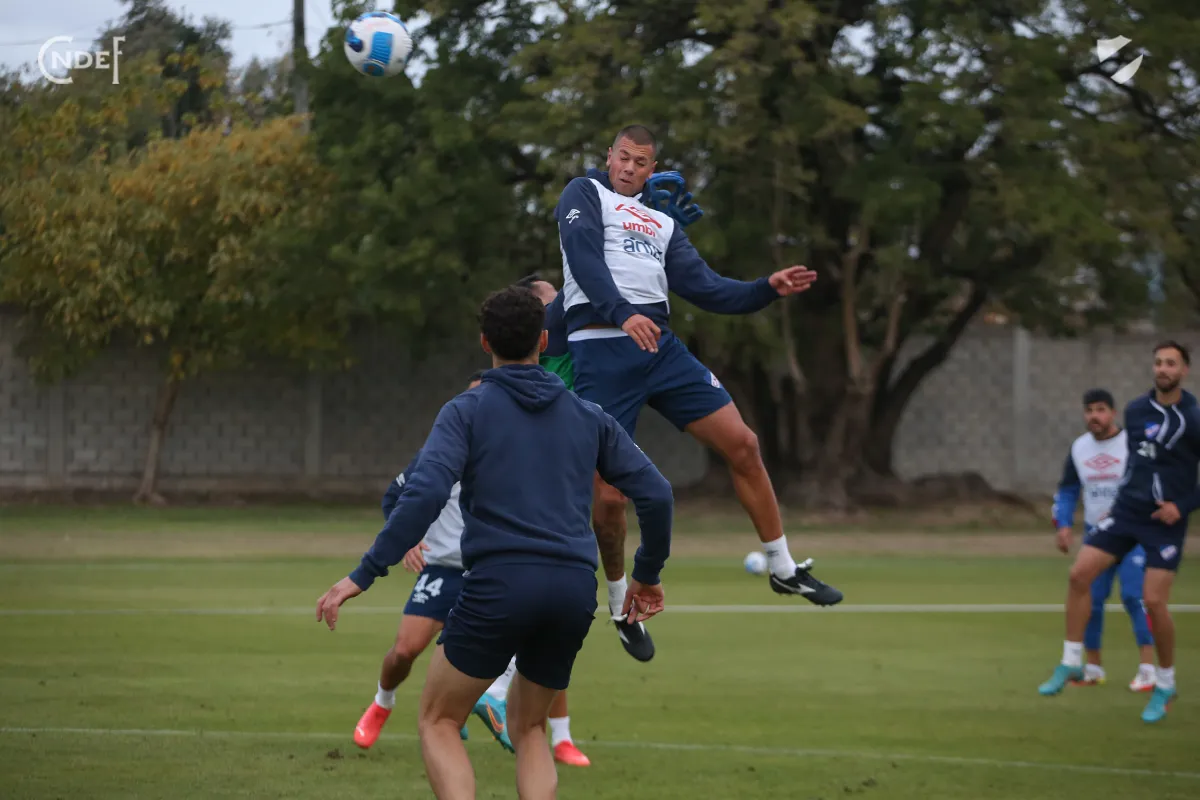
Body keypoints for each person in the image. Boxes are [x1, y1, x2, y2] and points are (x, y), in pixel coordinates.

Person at [316, 285, 674, 798]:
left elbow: (424, 493)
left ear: (485, 342)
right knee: (531, 729)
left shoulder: (465, 410)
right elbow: (657, 494)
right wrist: (647, 574)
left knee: (439, 719)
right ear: (545, 341)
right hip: (574, 590)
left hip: (500, 584)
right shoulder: (588, 415)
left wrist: (364, 574)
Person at [547, 123, 843, 661]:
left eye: (641, 161)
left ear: (652, 168)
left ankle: (782, 567)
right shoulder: (583, 193)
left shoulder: (661, 221)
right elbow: (584, 259)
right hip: (603, 351)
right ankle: (619, 603)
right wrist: (623, 313)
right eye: (623, 157)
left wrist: (766, 289)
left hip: (659, 349)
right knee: (608, 498)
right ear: (609, 156)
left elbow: (709, 289)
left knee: (744, 444)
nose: (629, 167)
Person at [352, 371, 515, 753]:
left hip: (488, 569)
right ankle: (382, 703)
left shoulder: (510, 453)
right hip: (442, 569)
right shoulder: (439, 451)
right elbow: (394, 498)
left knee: (521, 632)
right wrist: (408, 540)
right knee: (405, 650)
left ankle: (486, 704)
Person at [1038, 341, 1199, 723]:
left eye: (1171, 363)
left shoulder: (1193, 418)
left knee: (1152, 601)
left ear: (1184, 370)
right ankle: (1072, 661)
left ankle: (1164, 683)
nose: (1163, 369)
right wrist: (1119, 498)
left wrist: (1182, 506)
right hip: (1127, 512)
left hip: (1165, 521)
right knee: (1079, 575)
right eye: (1158, 362)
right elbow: (1135, 463)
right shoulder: (1136, 410)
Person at [1050, 388, 1155, 692]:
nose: (1094, 416)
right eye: (1089, 410)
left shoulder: (1131, 444)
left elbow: (1147, 482)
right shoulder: (1080, 448)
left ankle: (1148, 669)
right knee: (1091, 599)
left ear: (1112, 413)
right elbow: (1068, 490)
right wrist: (1064, 524)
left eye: (1100, 410)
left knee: (1135, 596)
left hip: (1133, 533)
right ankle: (1093, 668)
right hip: (1098, 536)